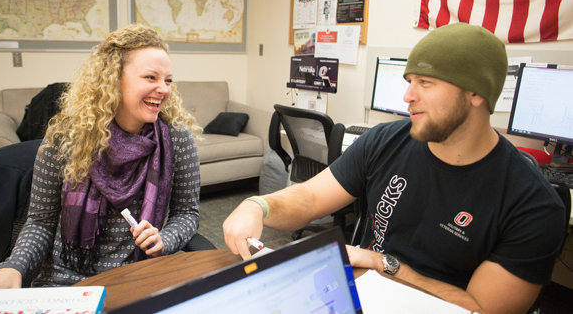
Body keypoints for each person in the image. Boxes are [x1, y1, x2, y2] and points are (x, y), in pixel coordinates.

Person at [223, 23, 565, 314]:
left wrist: (382, 264)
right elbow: (311, 198)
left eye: (426, 83)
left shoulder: (531, 203)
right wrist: (259, 205)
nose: (407, 96)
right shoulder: (386, 139)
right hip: (360, 295)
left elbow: (479, 307)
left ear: (477, 93)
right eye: (409, 80)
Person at [0, 24, 202, 308]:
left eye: (168, 80)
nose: (163, 89)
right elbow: (40, 222)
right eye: (151, 77)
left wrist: (164, 238)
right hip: (68, 279)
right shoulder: (66, 139)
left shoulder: (175, 137)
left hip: (139, 274)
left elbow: (187, 212)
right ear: (113, 80)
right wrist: (13, 267)